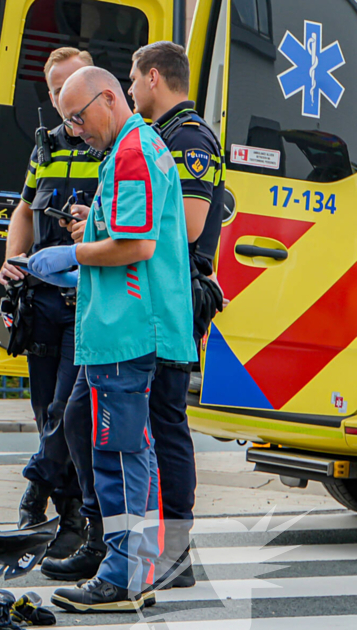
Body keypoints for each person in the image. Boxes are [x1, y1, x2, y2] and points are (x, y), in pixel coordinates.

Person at [27, 66, 196, 612]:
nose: (75, 130)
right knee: (120, 448)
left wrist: (71, 254)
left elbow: (136, 246)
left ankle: (123, 574)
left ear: (108, 98)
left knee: (120, 454)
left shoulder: (131, 152)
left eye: (77, 117)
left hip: (124, 331)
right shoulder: (132, 148)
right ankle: (127, 564)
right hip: (123, 327)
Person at [126, 41, 226, 589]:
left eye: (134, 78)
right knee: (151, 421)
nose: (130, 88)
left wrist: (128, 229)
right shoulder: (163, 136)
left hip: (174, 296)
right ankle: (138, 545)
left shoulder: (187, 139)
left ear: (156, 77)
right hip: (157, 295)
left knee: (166, 422)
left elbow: (188, 226)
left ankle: (179, 555)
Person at [0, 47, 99, 559]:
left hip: (87, 298)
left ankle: (46, 493)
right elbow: (23, 206)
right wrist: (13, 257)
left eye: (72, 84)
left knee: (67, 408)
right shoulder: (47, 144)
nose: (63, 97)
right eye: (56, 89)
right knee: (45, 410)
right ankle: (64, 510)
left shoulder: (110, 142)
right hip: (42, 298)